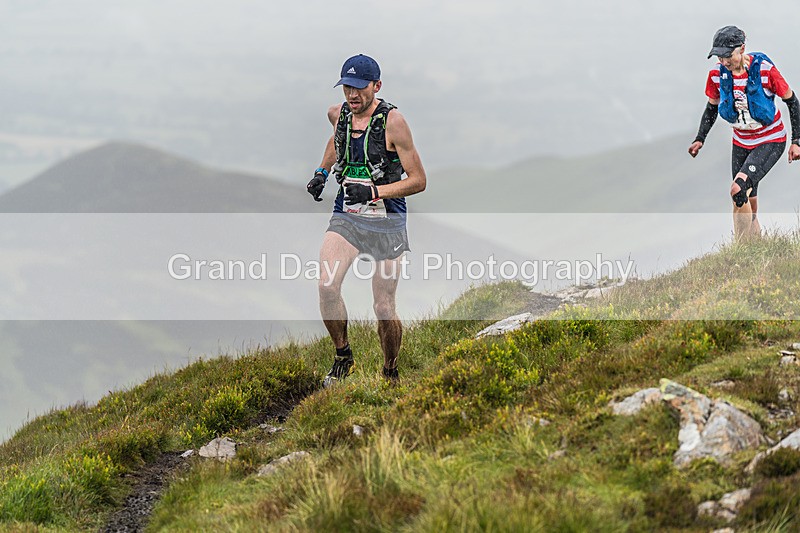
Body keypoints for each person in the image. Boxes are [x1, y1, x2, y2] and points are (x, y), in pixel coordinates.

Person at [306, 54, 426, 387]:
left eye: (359, 87)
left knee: (383, 305)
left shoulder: (394, 123)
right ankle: (343, 356)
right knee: (327, 285)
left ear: (377, 86)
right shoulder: (338, 113)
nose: (352, 95)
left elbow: (418, 180)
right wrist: (321, 172)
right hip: (348, 214)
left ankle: (390, 371)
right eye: (347, 87)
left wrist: (374, 191)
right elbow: (337, 138)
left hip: (387, 221)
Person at [688, 26, 800, 238]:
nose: (724, 62)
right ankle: (755, 249)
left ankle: (739, 250)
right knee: (747, 199)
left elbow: (792, 102)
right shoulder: (716, 75)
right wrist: (700, 138)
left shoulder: (766, 71)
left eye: (728, 56)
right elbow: (711, 107)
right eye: (719, 57)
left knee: (737, 189)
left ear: (742, 49)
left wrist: (797, 141)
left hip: (771, 140)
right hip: (741, 142)